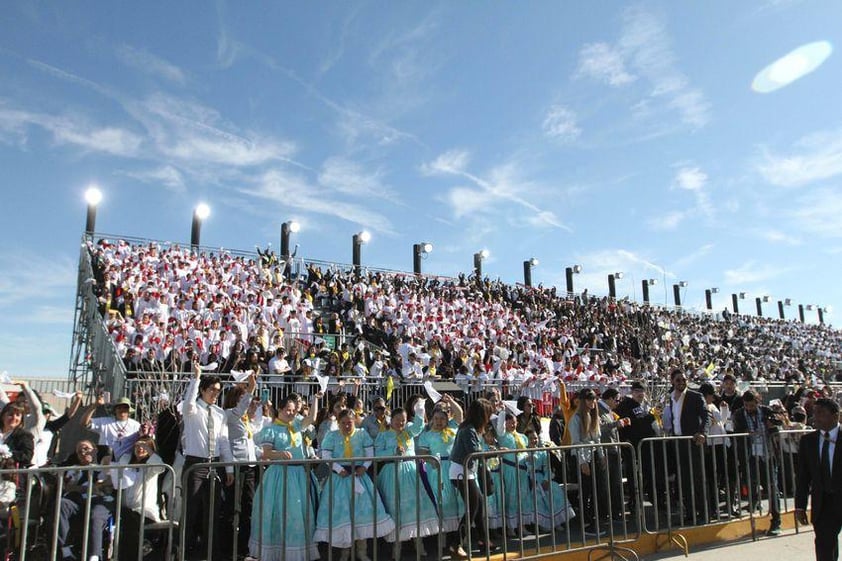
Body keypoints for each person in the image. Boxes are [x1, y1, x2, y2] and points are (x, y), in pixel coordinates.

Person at [249, 391, 322, 561]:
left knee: (298, 513)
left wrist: (315, 400)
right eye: (287, 410)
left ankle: (295, 551)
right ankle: (277, 551)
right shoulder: (271, 429)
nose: (291, 413)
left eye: (293, 411)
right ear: (280, 410)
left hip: (298, 475)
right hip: (279, 476)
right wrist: (280, 454)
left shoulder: (296, 425)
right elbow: (266, 454)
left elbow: (311, 419)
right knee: (279, 512)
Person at [314, 409, 394, 561]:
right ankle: (345, 552)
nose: (346, 426)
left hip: (360, 476)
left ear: (354, 421)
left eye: (349, 423)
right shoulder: (332, 435)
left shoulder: (362, 434)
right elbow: (326, 455)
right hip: (340, 480)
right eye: (343, 423)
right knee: (344, 516)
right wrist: (338, 468)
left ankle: (361, 552)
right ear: (338, 423)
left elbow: (370, 453)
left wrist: (364, 466)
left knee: (361, 515)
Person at [181, 363, 234, 561]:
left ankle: (210, 553)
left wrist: (228, 468)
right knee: (191, 511)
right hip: (195, 465)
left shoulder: (220, 413)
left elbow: (224, 441)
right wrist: (196, 378)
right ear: (203, 390)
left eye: (218, 391)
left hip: (215, 465)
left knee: (212, 513)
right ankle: (184, 552)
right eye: (211, 389)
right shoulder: (192, 409)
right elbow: (188, 404)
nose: (215, 393)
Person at [373, 401, 439, 557]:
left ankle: (419, 542)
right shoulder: (383, 434)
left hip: (410, 472)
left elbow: (419, 426)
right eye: (397, 419)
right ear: (391, 419)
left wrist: (420, 409)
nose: (400, 422)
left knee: (414, 507)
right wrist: (393, 451)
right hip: (391, 473)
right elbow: (376, 454)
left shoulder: (409, 431)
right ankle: (397, 545)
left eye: (403, 419)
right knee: (395, 508)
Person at [416, 395, 464, 555]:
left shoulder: (452, 427)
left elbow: (460, 414)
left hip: (453, 467)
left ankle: (457, 537)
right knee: (441, 500)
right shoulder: (427, 434)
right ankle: (441, 537)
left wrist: (451, 401)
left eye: (442, 418)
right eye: (436, 418)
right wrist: (431, 461)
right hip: (436, 470)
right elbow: (421, 451)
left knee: (456, 500)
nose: (439, 421)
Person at [795, 398, 842, 561]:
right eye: (815, 413)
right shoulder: (808, 442)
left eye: (821, 413)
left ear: (836, 416)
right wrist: (800, 506)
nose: (816, 417)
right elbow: (803, 476)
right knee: (824, 548)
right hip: (824, 503)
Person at [662, 368, 709, 525]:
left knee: (698, 478)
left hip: (693, 441)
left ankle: (703, 512)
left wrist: (702, 432)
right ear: (672, 382)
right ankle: (690, 512)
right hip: (678, 442)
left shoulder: (696, 396)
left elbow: (705, 416)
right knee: (684, 479)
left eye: (683, 380)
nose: (681, 382)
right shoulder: (671, 398)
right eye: (678, 380)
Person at [733, 389, 782, 536]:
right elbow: (737, 432)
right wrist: (745, 433)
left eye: (752, 406)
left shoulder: (766, 411)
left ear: (758, 402)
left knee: (772, 488)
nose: (749, 409)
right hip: (751, 456)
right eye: (747, 406)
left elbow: (778, 424)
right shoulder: (739, 415)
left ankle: (776, 521)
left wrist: (772, 426)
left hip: (767, 455)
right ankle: (753, 507)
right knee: (752, 484)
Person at [450, 398, 495, 558]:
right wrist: (494, 453)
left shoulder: (470, 428)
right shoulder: (469, 429)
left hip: (465, 471)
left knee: (479, 504)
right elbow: (474, 452)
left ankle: (484, 540)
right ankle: (456, 544)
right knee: (472, 509)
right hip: (461, 472)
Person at [222, 374, 261, 557]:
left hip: (249, 467)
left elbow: (252, 442)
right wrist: (250, 389)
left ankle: (245, 548)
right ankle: (230, 550)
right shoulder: (230, 415)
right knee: (233, 508)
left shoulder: (245, 420)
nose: (245, 402)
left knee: (248, 507)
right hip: (235, 466)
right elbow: (240, 409)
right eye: (241, 398)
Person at [110, 436, 167, 561]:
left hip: (144, 511)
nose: (140, 449)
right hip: (125, 509)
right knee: (126, 523)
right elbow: (117, 471)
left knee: (132, 524)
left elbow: (161, 467)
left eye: (144, 447)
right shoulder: (126, 460)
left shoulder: (150, 466)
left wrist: (148, 447)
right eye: (137, 446)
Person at [57, 440, 113, 561]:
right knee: (61, 504)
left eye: (86, 448)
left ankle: (94, 556)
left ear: (95, 450)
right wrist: (90, 488)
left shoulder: (105, 468)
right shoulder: (73, 469)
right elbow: (68, 487)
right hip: (76, 501)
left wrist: (99, 486)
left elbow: (109, 484)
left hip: (98, 501)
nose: (83, 452)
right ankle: (66, 552)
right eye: (79, 451)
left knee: (95, 515)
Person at [568, 388, 607, 535]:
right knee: (586, 490)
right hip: (581, 458)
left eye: (594, 399)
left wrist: (601, 455)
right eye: (589, 399)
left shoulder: (594, 416)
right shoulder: (576, 418)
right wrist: (583, 462)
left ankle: (595, 519)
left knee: (597, 489)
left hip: (593, 457)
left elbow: (597, 439)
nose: (592, 402)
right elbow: (576, 443)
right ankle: (586, 521)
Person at [81, 395, 142, 461]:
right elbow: (84, 423)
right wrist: (94, 406)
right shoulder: (104, 421)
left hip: (126, 463)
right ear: (115, 410)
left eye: (125, 407)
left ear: (129, 410)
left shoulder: (136, 425)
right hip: (106, 461)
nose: (122, 410)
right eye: (119, 407)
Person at [0, 401, 35, 468]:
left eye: (18, 415)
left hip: (10, 474)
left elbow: (27, 456)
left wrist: (7, 453)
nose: (14, 418)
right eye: (10, 414)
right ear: (3, 416)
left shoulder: (24, 435)